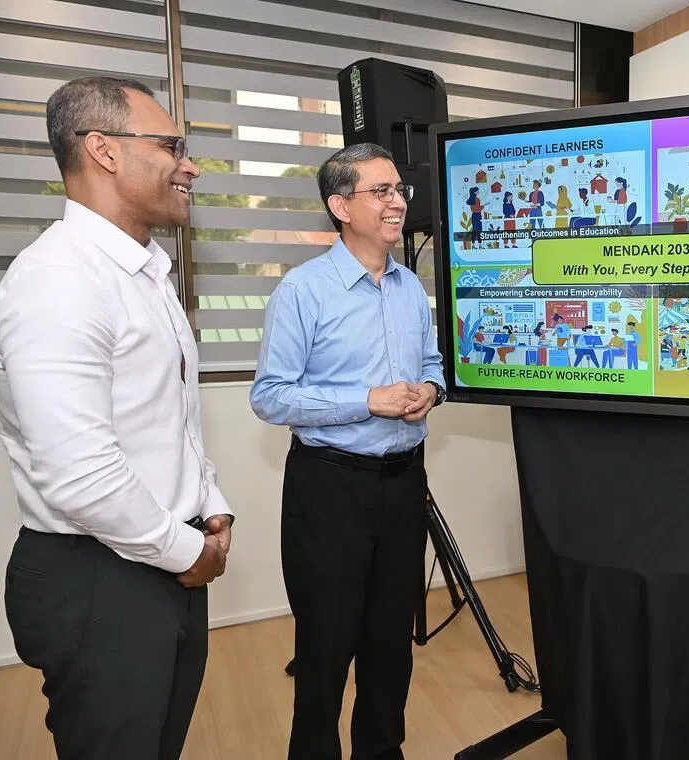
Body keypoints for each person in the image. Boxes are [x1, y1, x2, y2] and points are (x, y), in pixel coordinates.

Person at [0, 76, 232, 759]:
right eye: (172, 145)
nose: (190, 165)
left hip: (162, 558)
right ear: (105, 150)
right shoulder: (59, 281)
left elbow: (169, 419)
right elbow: (83, 477)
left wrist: (209, 504)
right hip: (101, 579)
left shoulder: (142, 273)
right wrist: (190, 553)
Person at [250, 142, 446, 760]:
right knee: (326, 650)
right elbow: (271, 397)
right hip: (330, 488)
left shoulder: (410, 288)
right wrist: (368, 401)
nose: (397, 203)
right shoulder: (303, 291)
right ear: (340, 206)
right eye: (380, 191)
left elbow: (434, 363)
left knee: (390, 647)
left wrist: (430, 391)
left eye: (399, 190)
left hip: (404, 484)